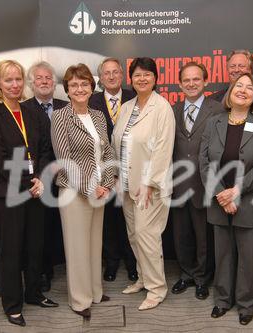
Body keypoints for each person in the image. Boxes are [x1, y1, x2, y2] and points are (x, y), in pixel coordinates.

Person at [0, 60, 58, 327]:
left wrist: (42, 178)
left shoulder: (32, 112)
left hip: (35, 190)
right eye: (8, 80)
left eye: (17, 79)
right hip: (8, 195)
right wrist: (30, 182)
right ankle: (12, 304)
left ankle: (34, 293)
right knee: (10, 252)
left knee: (35, 247)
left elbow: (46, 150)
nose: (14, 85)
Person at [199, 73, 253, 325]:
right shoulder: (214, 122)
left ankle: (246, 304)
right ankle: (222, 300)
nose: (243, 90)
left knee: (248, 257)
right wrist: (222, 193)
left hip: (252, 201)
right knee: (222, 255)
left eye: (249, 88)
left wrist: (236, 191)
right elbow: (204, 161)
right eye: (238, 86)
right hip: (219, 198)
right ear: (230, 93)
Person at [51, 63, 116, 318]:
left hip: (100, 190)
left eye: (84, 84)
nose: (80, 89)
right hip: (74, 192)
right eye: (74, 85)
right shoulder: (60, 116)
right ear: (67, 89)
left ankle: (95, 292)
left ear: (92, 87)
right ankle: (80, 300)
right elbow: (64, 160)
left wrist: (107, 184)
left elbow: (108, 151)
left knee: (93, 244)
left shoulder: (98, 115)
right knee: (77, 248)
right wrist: (91, 188)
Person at [112, 57, 175, 311]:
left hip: (150, 186)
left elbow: (163, 149)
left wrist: (149, 183)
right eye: (137, 75)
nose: (142, 79)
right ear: (131, 78)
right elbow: (119, 142)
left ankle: (156, 288)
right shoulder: (127, 107)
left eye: (147, 74)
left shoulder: (162, 108)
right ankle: (142, 278)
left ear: (155, 78)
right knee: (134, 235)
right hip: (127, 184)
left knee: (147, 237)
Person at [171, 62, 223, 300]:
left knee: (204, 237)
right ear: (180, 83)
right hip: (178, 184)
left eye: (196, 79)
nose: (191, 84)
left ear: (205, 81)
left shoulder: (218, 109)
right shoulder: (172, 109)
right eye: (187, 80)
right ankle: (186, 274)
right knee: (181, 235)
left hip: (204, 184)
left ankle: (202, 278)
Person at [89, 57, 138, 282]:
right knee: (108, 219)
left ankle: (132, 262)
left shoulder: (135, 98)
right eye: (106, 73)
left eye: (115, 72)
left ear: (122, 75)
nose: (111, 76)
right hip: (103, 171)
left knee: (131, 219)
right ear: (100, 78)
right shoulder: (91, 100)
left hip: (132, 169)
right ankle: (111, 261)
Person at [22, 61, 68, 292]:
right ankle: (43, 271)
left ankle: (63, 263)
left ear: (55, 82)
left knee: (62, 224)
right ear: (31, 83)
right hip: (39, 177)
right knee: (40, 227)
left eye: (48, 78)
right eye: (38, 78)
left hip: (66, 176)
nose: (44, 81)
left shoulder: (66, 106)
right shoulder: (23, 109)